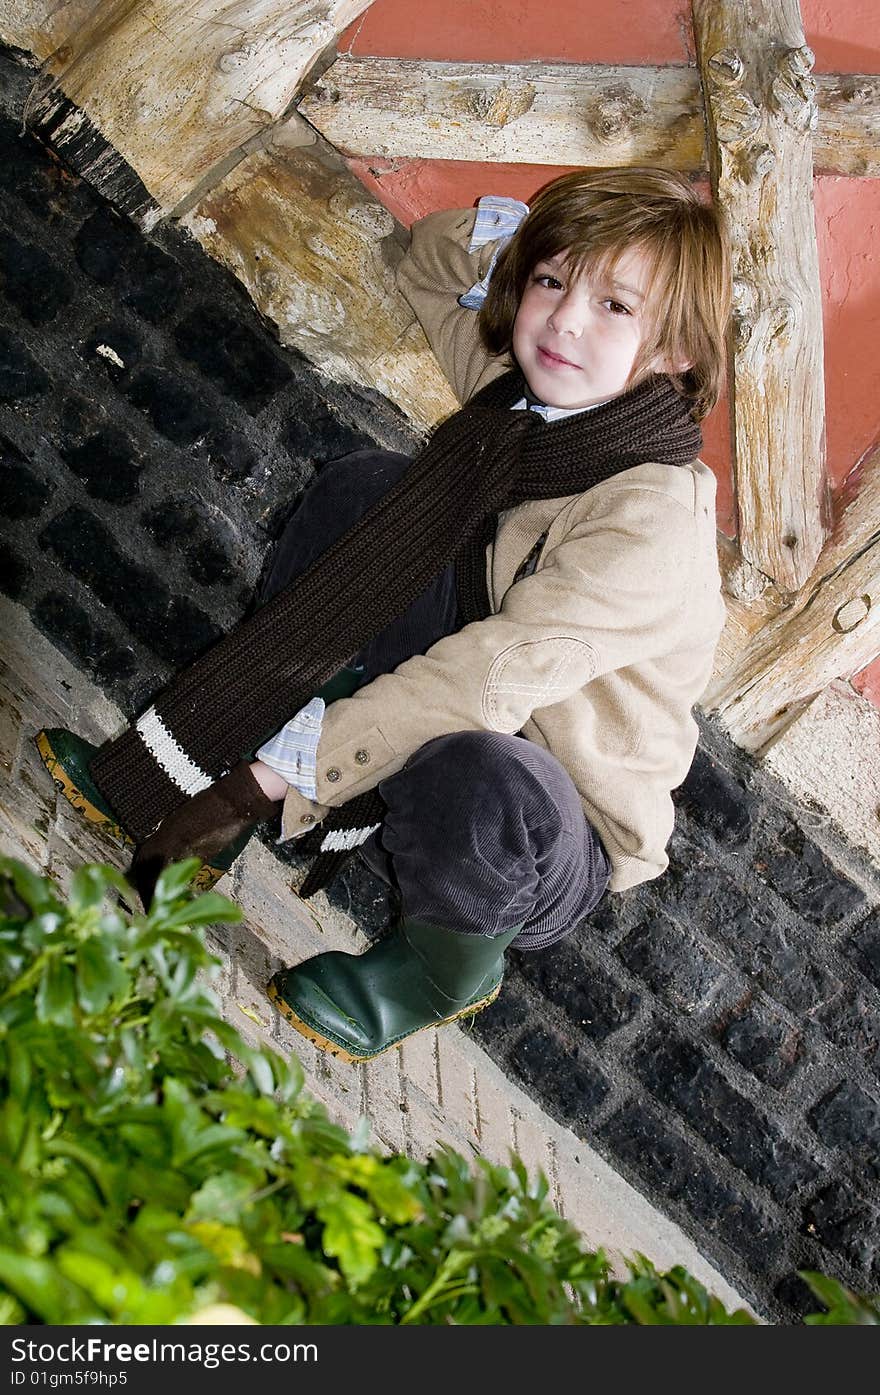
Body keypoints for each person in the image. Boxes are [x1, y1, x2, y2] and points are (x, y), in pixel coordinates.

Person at [37, 166, 730, 1063]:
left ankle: (434, 971)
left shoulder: (653, 521)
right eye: (553, 282)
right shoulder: (531, 394)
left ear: (677, 352)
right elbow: (430, 263)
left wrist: (267, 780)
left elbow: (489, 679)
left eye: (617, 308)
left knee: (485, 771)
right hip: (467, 693)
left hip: (547, 818)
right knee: (369, 493)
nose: (563, 323)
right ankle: (185, 781)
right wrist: (515, 245)